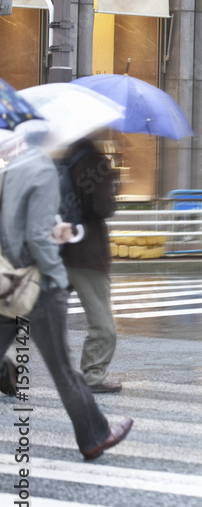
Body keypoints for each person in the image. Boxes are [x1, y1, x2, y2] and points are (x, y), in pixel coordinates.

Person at [0, 125, 132, 460]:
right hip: (41, 281)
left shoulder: (13, 169)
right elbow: (39, 233)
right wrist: (55, 275)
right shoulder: (46, 170)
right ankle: (95, 435)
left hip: (9, 276)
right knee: (62, 367)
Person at [58, 137, 121, 393]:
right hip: (87, 253)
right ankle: (94, 375)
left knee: (39, 317)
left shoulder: (52, 157)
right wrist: (113, 185)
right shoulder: (94, 160)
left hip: (54, 250)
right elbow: (104, 207)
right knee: (102, 322)